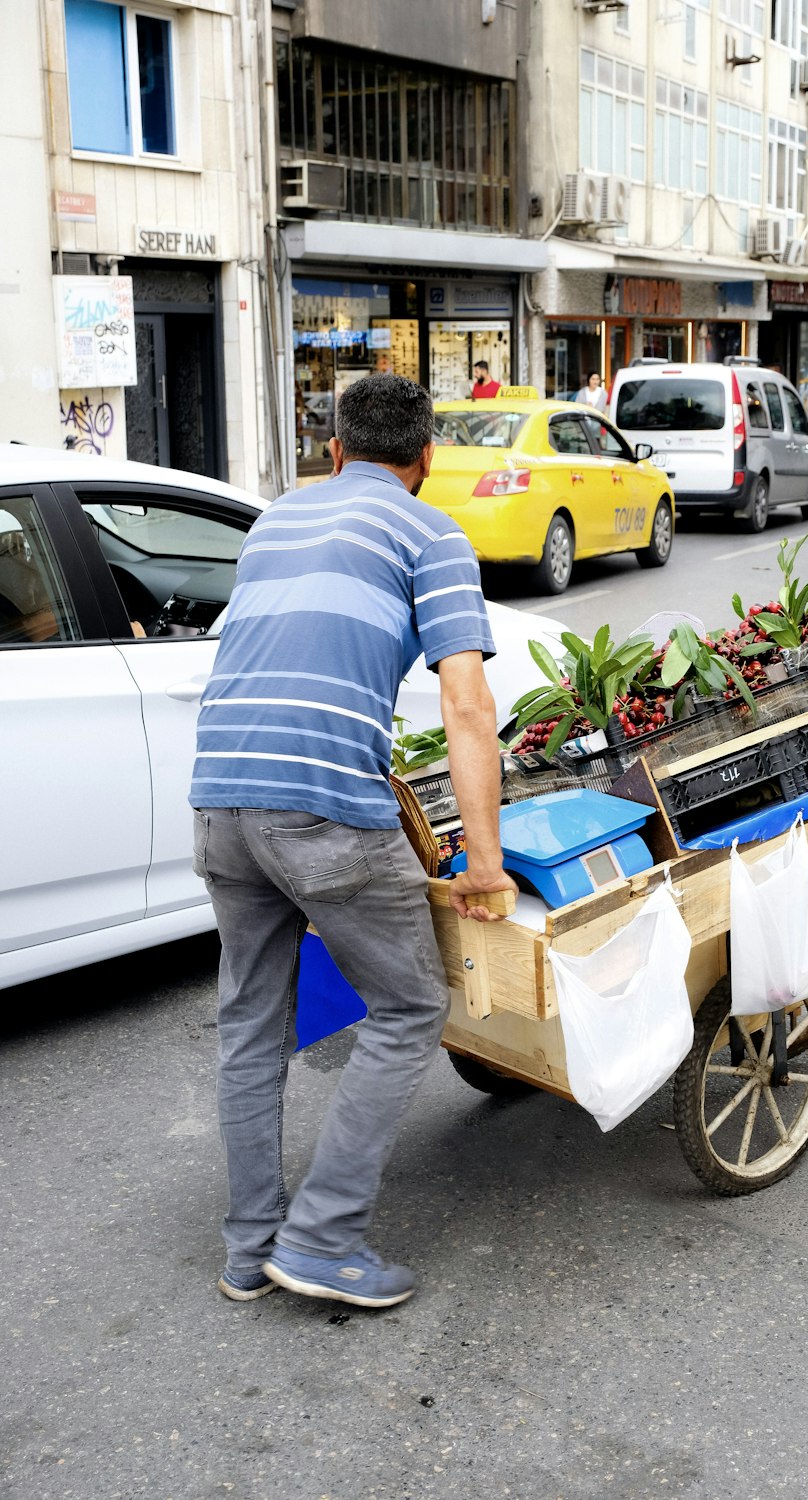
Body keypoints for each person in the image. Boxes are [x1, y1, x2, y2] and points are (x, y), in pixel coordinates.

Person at [190, 373, 518, 1310]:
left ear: (333, 451)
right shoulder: (431, 531)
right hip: (324, 806)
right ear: (427, 462)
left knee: (250, 1026)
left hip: (219, 798)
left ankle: (248, 1250)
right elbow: (465, 701)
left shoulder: (275, 521)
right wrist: (483, 860)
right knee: (411, 1007)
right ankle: (325, 1237)